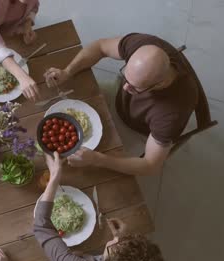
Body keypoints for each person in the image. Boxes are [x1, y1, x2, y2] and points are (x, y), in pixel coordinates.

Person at [19, 152, 167, 261]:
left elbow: (41, 225)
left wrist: (55, 177)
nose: (115, 240)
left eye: (116, 245)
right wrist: (124, 240)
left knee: (29, 251)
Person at [44, 33, 200, 175]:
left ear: (160, 84)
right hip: (120, 104)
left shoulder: (171, 114)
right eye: (126, 77)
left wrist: (98, 160)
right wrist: (67, 71)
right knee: (77, 93)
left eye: (134, 87)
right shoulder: (144, 45)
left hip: (136, 128)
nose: (125, 87)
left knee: (98, 167)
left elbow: (150, 165)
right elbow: (100, 47)